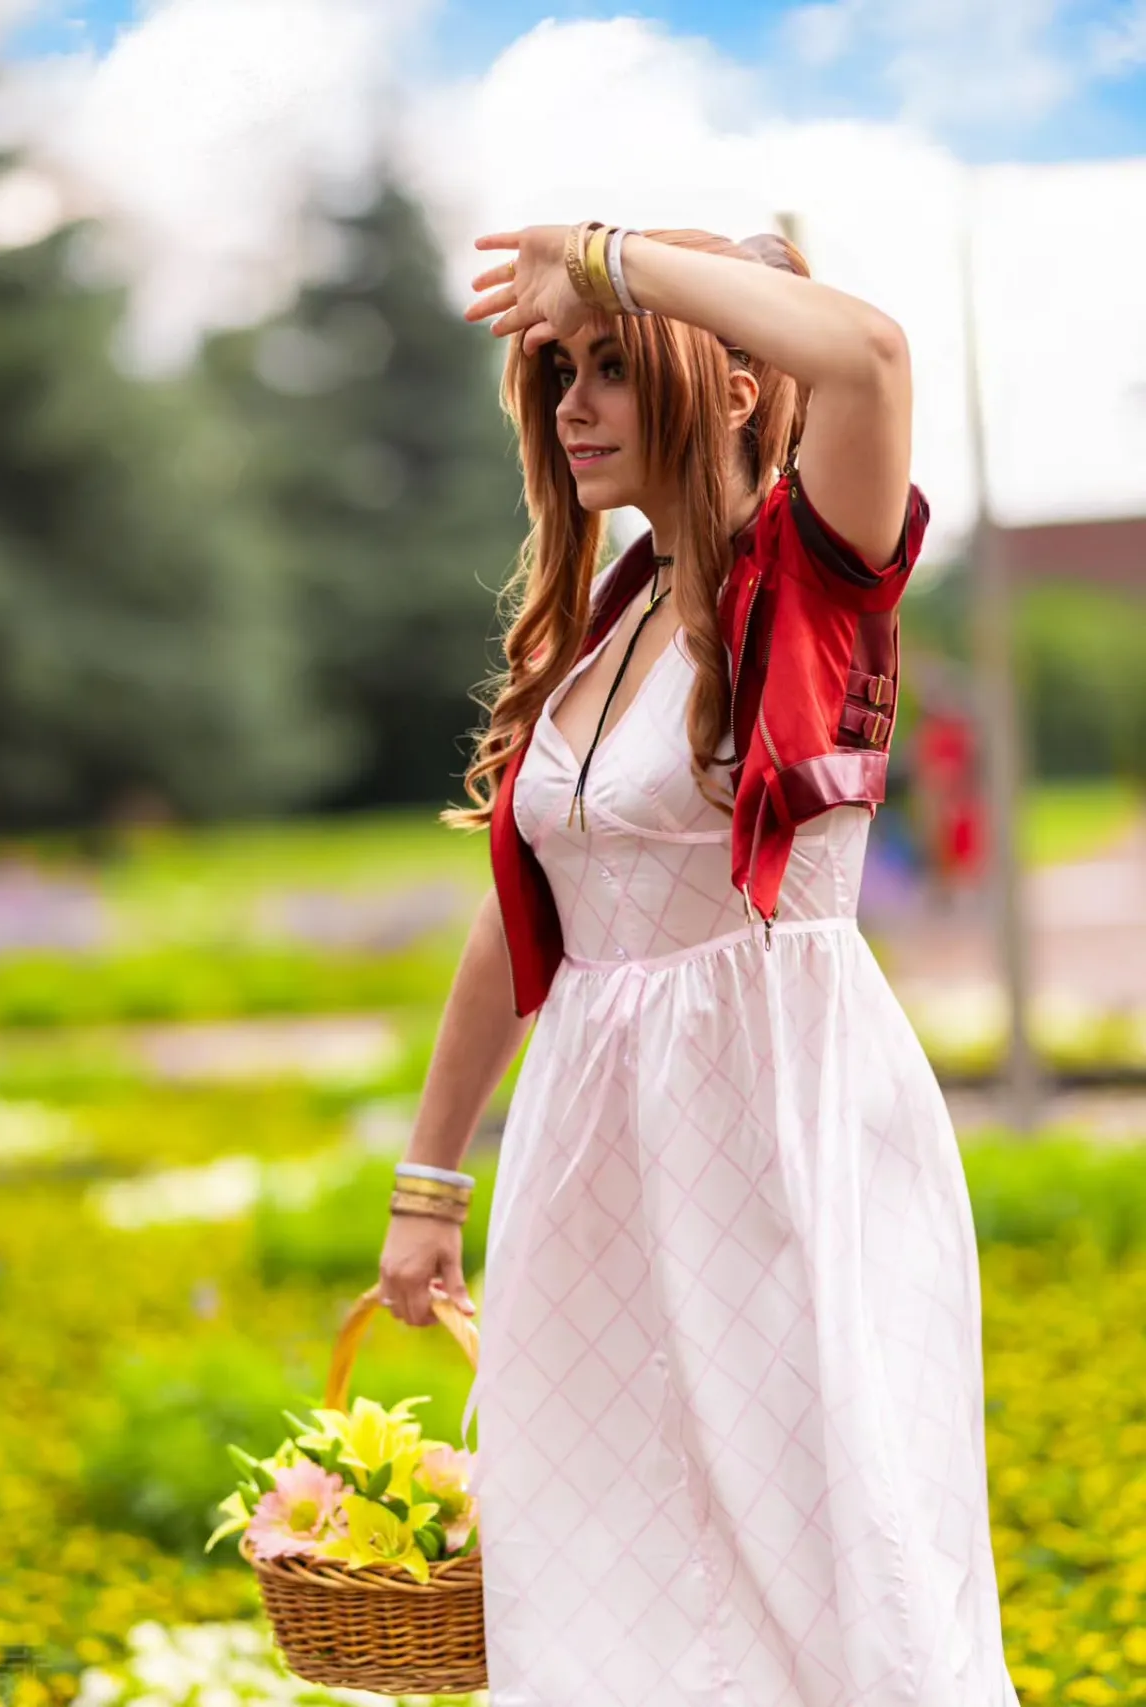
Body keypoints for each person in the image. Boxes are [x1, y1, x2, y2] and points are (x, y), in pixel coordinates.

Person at [376, 221, 1019, 1706]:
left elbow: (864, 354)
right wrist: (429, 1178)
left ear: (731, 389)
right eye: (559, 374)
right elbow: (521, 911)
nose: (574, 406)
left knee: (825, 1553)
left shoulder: (814, 574)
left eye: (610, 370)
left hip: (777, 1128)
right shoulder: (596, 634)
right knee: (599, 1544)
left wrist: (604, 255)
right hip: (593, 1148)